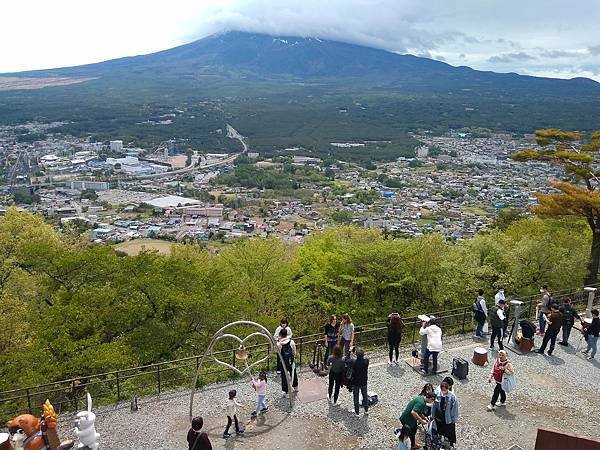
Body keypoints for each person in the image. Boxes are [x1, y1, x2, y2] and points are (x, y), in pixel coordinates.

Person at [431, 380, 459, 448]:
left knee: (449, 431)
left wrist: (453, 419)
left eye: (445, 389)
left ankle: (450, 443)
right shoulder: (437, 394)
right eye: (442, 389)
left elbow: (454, 409)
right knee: (439, 429)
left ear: (447, 388)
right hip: (439, 416)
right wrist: (433, 415)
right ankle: (439, 440)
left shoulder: (452, 397)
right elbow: (434, 405)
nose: (443, 390)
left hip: (448, 417)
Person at [277, 328, 299, 395]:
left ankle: (285, 390)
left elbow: (277, 352)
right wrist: (293, 357)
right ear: (286, 334)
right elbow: (294, 352)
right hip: (291, 361)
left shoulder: (279, 344)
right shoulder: (291, 342)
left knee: (284, 376)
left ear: (280, 335)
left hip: (283, 362)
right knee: (293, 373)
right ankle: (295, 386)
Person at [351, 348, 369, 417]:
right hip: (364, 381)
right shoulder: (366, 361)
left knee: (356, 397)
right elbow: (366, 358)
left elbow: (347, 360)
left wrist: (350, 352)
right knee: (365, 396)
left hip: (356, 382)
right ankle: (366, 410)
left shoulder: (354, 362)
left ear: (356, 355)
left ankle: (357, 412)